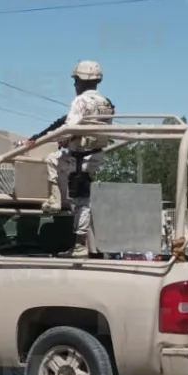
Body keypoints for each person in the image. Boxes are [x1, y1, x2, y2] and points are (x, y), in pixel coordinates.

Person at [23, 60, 115, 258]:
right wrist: (38, 136)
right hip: (95, 155)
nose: (75, 85)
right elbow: (68, 122)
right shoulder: (106, 103)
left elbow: (68, 127)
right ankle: (58, 203)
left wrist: (55, 139)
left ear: (80, 81)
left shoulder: (80, 101)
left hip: (79, 157)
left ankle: (78, 242)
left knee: (80, 200)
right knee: (57, 163)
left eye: (75, 81)